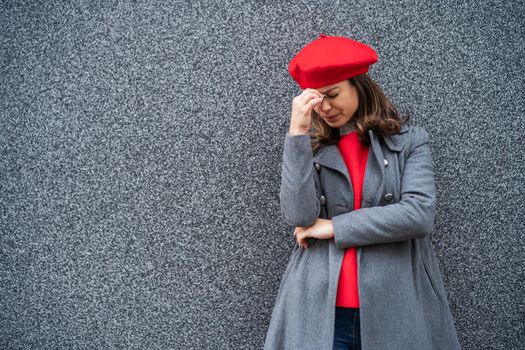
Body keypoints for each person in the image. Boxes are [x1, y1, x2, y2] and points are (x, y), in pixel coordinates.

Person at [263, 34, 462, 350]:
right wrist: (297, 133)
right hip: (320, 309)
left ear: (359, 85)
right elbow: (298, 215)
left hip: (396, 305)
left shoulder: (410, 142)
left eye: (333, 94)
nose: (325, 107)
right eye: (317, 99)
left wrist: (333, 227)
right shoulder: (312, 149)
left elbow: (419, 215)